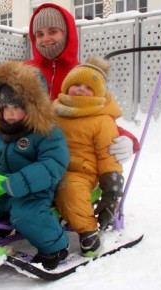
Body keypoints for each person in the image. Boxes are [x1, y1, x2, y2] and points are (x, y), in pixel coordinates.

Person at [0, 2, 139, 240]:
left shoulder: (80, 76)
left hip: (62, 148)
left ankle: (48, 221)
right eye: (39, 34)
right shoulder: (26, 70)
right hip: (24, 141)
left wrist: (129, 139)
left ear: (67, 33)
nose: (45, 39)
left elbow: (98, 114)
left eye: (53, 31)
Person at [0, 60, 70, 270]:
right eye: (5, 107)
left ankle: (56, 246)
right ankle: (0, 229)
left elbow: (53, 164)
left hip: (34, 191)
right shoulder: (1, 132)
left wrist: (22, 180)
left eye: (16, 107)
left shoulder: (46, 132)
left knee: (27, 215)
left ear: (32, 106)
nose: (10, 113)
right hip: (4, 187)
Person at [53, 57, 125, 257]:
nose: (81, 89)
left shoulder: (102, 120)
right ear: (67, 86)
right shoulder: (55, 111)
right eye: (76, 84)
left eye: (88, 87)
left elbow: (107, 154)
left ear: (99, 93)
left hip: (83, 173)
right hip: (50, 166)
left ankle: (88, 233)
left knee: (70, 189)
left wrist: (112, 183)